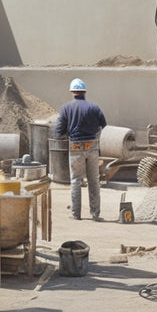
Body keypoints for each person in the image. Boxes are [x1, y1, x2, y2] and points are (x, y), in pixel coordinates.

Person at [55, 78, 107, 221]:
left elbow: (59, 130)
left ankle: (76, 214)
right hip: (92, 146)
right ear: (84, 91)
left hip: (75, 146)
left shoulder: (66, 108)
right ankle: (95, 214)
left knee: (75, 180)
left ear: (72, 92)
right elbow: (104, 124)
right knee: (94, 180)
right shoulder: (94, 107)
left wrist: (63, 136)